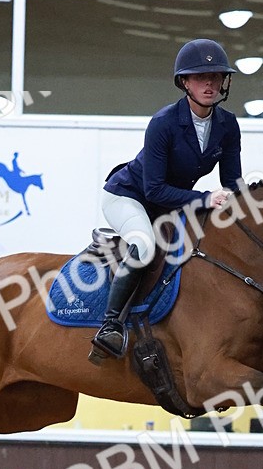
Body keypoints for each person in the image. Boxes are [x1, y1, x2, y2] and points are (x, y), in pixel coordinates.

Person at [90, 38, 242, 361]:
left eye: (216, 76)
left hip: (169, 204)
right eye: (201, 77)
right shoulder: (163, 123)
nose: (210, 84)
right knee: (145, 245)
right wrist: (206, 198)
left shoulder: (228, 125)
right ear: (185, 82)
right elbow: (154, 190)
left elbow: (233, 185)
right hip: (129, 196)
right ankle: (110, 326)